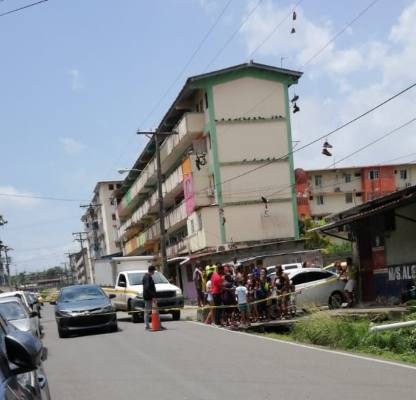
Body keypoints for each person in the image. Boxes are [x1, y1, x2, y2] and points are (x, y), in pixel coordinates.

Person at [142, 265, 165, 330]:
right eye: (154, 270)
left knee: (156, 311)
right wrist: (153, 295)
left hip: (151, 297)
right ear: (151, 270)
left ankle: (158, 324)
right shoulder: (147, 277)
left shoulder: (148, 277)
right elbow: (147, 288)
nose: (154, 272)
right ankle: (146, 325)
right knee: (147, 311)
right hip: (149, 297)